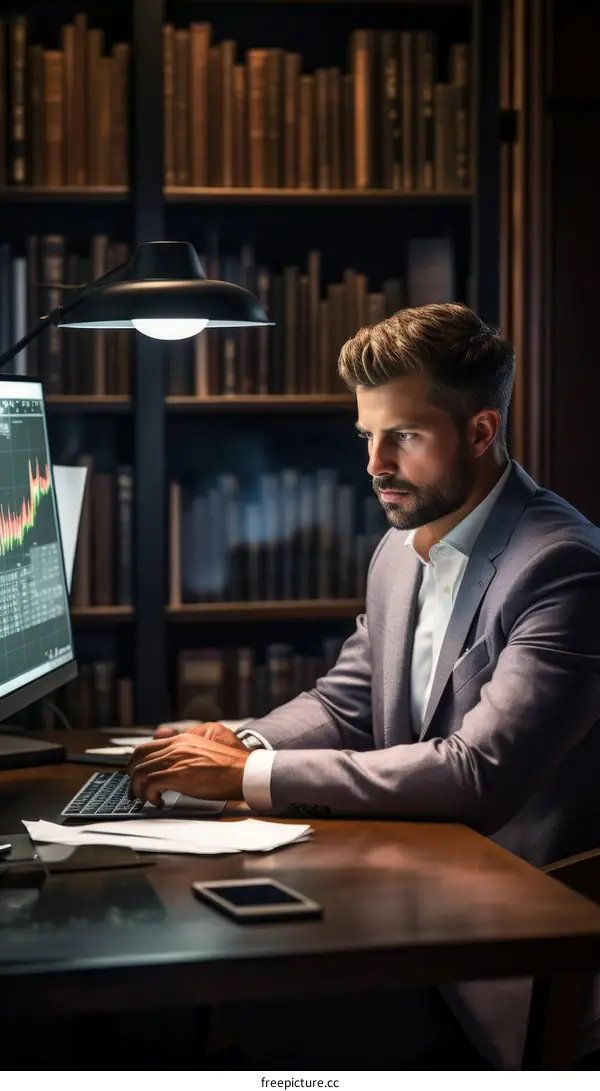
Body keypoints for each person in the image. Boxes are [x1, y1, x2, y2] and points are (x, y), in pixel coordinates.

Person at [129, 303, 600, 1069]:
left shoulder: (563, 567)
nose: (374, 463)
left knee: (213, 1006)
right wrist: (239, 740)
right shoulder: (399, 546)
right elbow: (345, 699)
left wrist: (250, 775)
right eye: (366, 437)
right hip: (418, 895)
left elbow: (477, 770)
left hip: (518, 953)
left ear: (481, 432)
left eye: (404, 437)